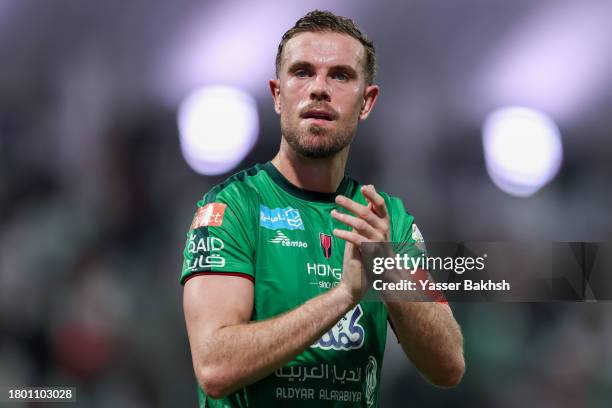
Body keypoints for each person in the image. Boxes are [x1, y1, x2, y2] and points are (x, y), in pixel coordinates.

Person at [180, 10, 464, 407]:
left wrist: (386, 269)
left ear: (367, 101)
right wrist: (343, 296)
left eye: (340, 76)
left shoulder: (387, 220)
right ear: (278, 95)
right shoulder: (232, 208)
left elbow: (448, 366)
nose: (319, 89)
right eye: (302, 72)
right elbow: (214, 367)